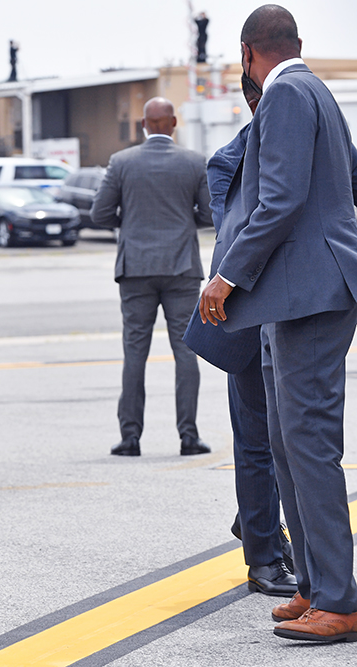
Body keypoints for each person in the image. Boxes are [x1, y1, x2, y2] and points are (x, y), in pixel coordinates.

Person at [200, 4, 357, 641]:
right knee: (289, 444)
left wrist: (226, 275)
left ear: (246, 53)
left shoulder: (286, 93)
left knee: (309, 445)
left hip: (308, 294)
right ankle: (315, 585)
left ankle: (341, 601)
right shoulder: (315, 90)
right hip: (297, 293)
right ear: (295, 42)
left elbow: (282, 198)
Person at [202, 74, 296, 597]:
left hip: (298, 308)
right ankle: (262, 555)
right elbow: (239, 233)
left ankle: (255, 517)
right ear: (257, 101)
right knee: (258, 436)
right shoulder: (229, 159)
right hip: (250, 308)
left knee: (285, 435)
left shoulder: (302, 144)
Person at [90, 97, 213, 457]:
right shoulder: (194, 162)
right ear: (173, 123)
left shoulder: (122, 162)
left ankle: (130, 438)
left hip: (136, 269)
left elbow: (99, 214)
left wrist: (129, 226)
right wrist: (183, 222)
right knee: (186, 352)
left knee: (134, 353)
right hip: (181, 268)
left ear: (143, 125)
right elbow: (210, 214)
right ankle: (189, 437)